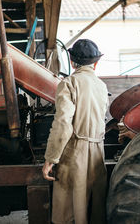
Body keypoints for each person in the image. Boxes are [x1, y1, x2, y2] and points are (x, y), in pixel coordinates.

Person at [42, 39, 108, 224]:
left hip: (75, 154)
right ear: (96, 63)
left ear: (72, 62)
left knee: (69, 213)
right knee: (94, 210)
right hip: (97, 153)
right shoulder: (101, 86)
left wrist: (50, 159)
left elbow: (63, 123)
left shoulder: (69, 83)